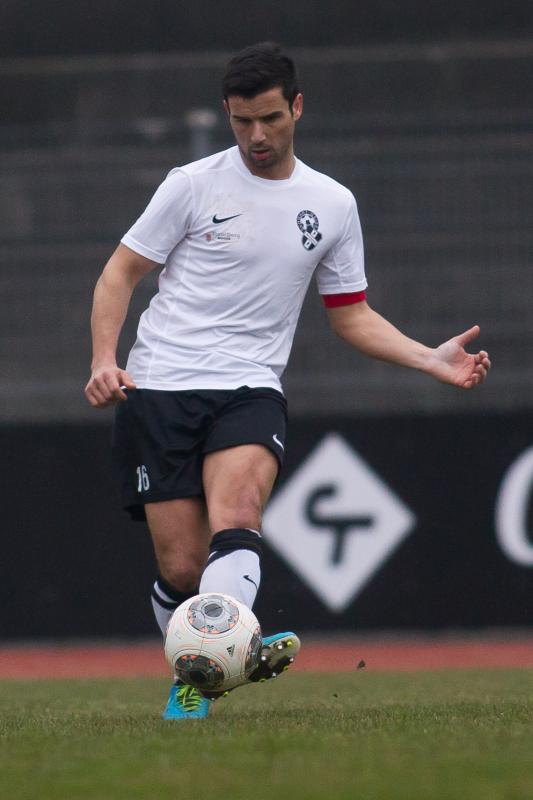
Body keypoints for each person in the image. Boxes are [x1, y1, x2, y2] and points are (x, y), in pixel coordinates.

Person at [85, 42, 491, 720]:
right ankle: (222, 660)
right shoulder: (191, 184)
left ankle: (199, 681)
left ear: (297, 107)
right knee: (182, 569)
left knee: (239, 516)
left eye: (270, 118)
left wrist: (429, 358)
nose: (256, 135)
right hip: (158, 386)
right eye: (242, 121)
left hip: (249, 388)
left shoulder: (331, 204)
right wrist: (104, 359)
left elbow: (350, 314)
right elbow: (118, 273)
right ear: (227, 115)